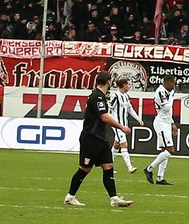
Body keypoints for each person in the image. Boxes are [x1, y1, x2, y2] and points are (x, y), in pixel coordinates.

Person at [65, 69, 131, 207]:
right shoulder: (97, 96)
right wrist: (121, 127)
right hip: (91, 138)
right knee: (84, 168)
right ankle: (70, 197)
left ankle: (114, 198)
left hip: (100, 138)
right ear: (108, 81)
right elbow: (104, 116)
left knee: (108, 166)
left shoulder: (101, 95)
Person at [145, 73, 180, 185]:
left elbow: (169, 110)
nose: (174, 86)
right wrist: (173, 97)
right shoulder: (160, 92)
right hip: (160, 122)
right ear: (168, 83)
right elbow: (166, 107)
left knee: (164, 150)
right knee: (170, 150)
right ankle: (149, 169)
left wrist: (172, 123)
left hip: (166, 122)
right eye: (173, 84)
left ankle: (160, 178)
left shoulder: (170, 91)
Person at [109, 76, 138, 172]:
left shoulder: (126, 96)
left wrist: (138, 119)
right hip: (117, 125)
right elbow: (109, 107)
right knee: (124, 144)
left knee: (117, 145)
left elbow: (130, 109)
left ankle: (109, 166)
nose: (129, 86)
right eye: (128, 84)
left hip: (124, 124)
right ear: (124, 85)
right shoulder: (115, 96)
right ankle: (130, 167)